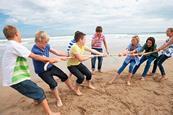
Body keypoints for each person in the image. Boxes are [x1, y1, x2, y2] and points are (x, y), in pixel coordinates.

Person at [1, 25, 60, 115]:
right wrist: (50, 59)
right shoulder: (15, 45)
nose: (21, 35)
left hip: (15, 77)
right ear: (16, 34)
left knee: (33, 87)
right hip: (16, 78)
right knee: (39, 92)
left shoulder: (9, 45)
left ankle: (36, 100)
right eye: (20, 33)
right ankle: (49, 113)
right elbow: (34, 56)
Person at [32, 31, 77, 107]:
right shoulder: (35, 51)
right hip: (42, 71)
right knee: (53, 84)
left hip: (50, 66)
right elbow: (47, 59)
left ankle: (72, 88)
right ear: (38, 41)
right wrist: (60, 59)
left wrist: (68, 54)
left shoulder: (46, 45)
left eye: (47, 42)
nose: (46, 44)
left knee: (64, 76)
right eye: (44, 42)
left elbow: (56, 52)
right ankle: (58, 99)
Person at [67, 31, 105, 96]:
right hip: (71, 65)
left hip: (78, 64)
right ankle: (76, 89)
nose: (85, 40)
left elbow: (91, 50)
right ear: (80, 40)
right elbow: (81, 59)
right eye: (84, 39)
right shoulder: (74, 47)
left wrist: (101, 54)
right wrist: (90, 56)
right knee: (81, 77)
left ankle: (89, 84)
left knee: (89, 74)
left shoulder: (82, 45)